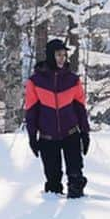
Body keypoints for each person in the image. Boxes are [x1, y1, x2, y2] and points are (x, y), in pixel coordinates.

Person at [24, 38, 90, 198]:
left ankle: (76, 209)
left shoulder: (73, 80)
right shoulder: (35, 81)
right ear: (50, 56)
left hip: (71, 134)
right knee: (53, 182)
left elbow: (81, 109)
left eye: (64, 55)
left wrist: (85, 133)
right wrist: (32, 137)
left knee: (75, 177)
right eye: (58, 55)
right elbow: (31, 112)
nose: (62, 58)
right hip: (47, 137)